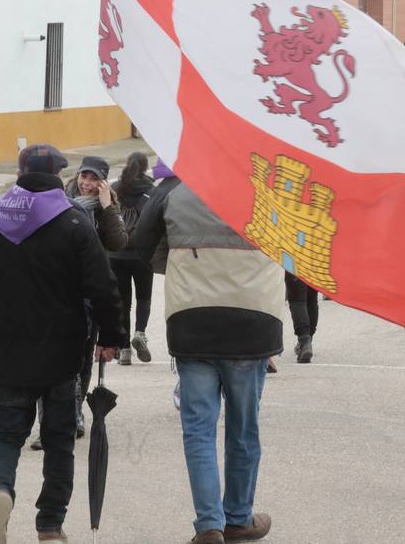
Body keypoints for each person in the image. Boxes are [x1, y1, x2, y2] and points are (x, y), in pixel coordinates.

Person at [0, 144, 121, 543]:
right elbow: (104, 286)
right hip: (62, 355)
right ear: (57, 175)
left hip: (8, 354)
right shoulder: (74, 222)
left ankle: (0, 492)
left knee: (6, 435)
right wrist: (112, 337)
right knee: (59, 438)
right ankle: (49, 524)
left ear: (21, 172)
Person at [131, 176, 283, 544]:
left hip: (192, 320)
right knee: (243, 427)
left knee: (198, 430)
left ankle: (209, 525)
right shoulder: (273, 183)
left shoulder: (172, 189)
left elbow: (137, 248)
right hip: (254, 320)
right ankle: (238, 518)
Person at [65, 155, 128, 437]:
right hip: (62, 289)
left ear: (103, 182)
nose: (87, 184)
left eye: (94, 179)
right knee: (59, 357)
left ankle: (75, 410)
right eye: (84, 177)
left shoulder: (108, 207)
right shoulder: (60, 199)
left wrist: (106, 208)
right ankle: (56, 416)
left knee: (84, 358)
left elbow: (118, 242)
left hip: (91, 294)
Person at [111, 151, 156, 366]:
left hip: (116, 252)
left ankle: (125, 349)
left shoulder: (115, 189)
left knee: (122, 301)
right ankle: (140, 332)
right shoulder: (151, 190)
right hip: (142, 252)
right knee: (143, 297)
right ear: (146, 167)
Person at [285, 272, 320, 364]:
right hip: (314, 260)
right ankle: (308, 340)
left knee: (297, 299)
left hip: (295, 260)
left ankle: (304, 341)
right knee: (311, 298)